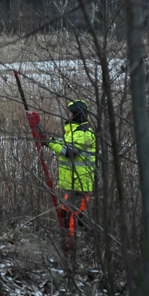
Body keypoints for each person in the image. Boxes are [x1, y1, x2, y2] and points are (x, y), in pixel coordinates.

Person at [45, 100, 96, 239]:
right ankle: (78, 239)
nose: (68, 115)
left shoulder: (84, 134)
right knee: (67, 214)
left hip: (80, 184)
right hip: (75, 185)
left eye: (71, 113)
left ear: (77, 115)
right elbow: (64, 144)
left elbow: (70, 152)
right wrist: (48, 138)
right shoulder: (74, 132)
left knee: (70, 216)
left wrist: (49, 143)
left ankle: (70, 244)